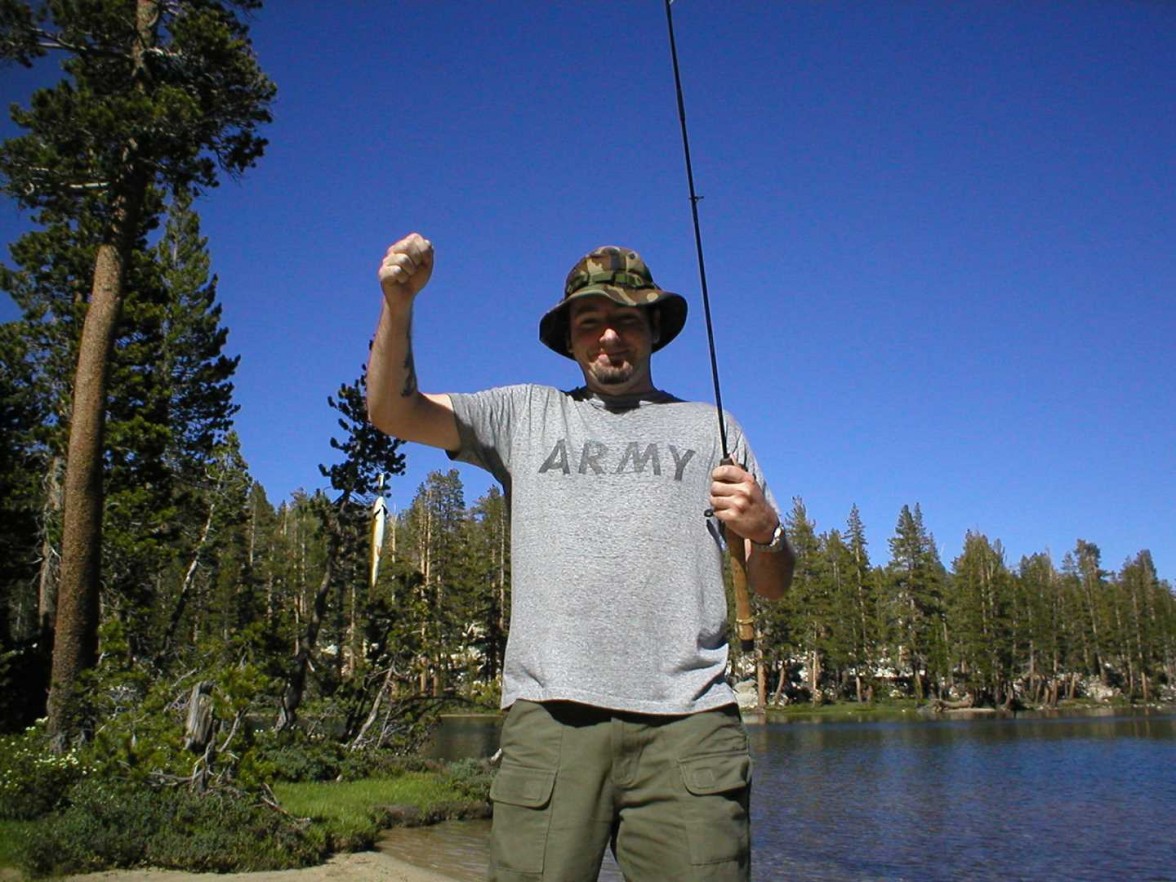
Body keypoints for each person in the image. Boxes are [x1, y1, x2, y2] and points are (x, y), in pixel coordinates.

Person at [367, 232, 795, 882]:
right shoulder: (523, 414)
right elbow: (392, 412)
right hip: (550, 722)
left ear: (653, 328)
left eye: (626, 319)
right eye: (590, 322)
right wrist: (399, 306)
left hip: (691, 726)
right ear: (568, 338)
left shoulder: (714, 427)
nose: (608, 336)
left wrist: (767, 533)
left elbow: (772, 585)